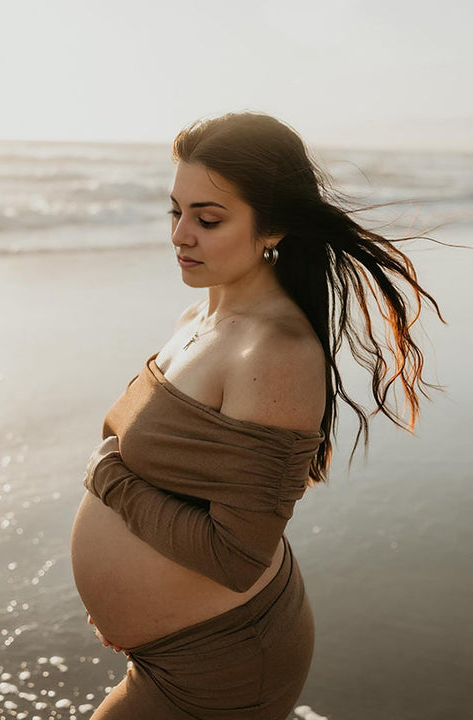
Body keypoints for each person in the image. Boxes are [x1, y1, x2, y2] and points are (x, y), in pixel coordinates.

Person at [70, 111, 445, 719]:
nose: (180, 234)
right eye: (177, 211)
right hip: (178, 650)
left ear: (273, 228)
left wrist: (108, 481)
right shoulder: (199, 320)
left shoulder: (275, 352)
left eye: (208, 218)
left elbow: (235, 556)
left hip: (221, 666)